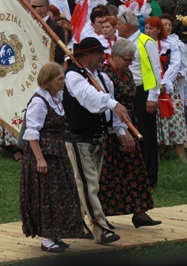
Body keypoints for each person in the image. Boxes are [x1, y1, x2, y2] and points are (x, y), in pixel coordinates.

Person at [63, 37, 131, 244]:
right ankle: (100, 228)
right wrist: (113, 103)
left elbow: (110, 110)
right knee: (87, 184)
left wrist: (120, 131)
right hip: (78, 137)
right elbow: (90, 98)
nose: (102, 56)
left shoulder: (101, 77)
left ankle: (77, 223)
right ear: (84, 56)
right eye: (97, 53)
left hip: (97, 137)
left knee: (88, 184)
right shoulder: (74, 76)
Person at [20, 62, 84, 253]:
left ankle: (55, 233)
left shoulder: (57, 96)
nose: (64, 81)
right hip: (44, 153)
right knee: (47, 195)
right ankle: (47, 238)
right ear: (47, 82)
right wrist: (40, 159)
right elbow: (31, 133)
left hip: (57, 152)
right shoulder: (39, 101)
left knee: (61, 194)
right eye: (60, 79)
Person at [98, 39, 161, 228]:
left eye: (132, 60)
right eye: (127, 59)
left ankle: (140, 212)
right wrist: (121, 130)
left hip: (130, 124)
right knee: (108, 174)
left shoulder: (126, 73)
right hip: (112, 129)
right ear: (115, 56)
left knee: (135, 169)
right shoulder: (103, 74)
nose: (129, 64)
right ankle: (101, 215)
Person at [116, 12, 161, 187]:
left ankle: (149, 177)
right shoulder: (121, 43)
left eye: (119, 23)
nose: (117, 26)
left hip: (142, 92)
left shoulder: (146, 41)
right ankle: (131, 174)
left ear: (127, 25)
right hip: (126, 92)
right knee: (128, 132)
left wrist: (153, 96)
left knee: (145, 134)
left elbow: (155, 69)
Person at [144, 16, 187, 161]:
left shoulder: (170, 44)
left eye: (151, 28)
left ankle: (181, 157)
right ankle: (156, 156)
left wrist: (163, 82)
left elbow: (175, 64)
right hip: (150, 86)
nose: (148, 30)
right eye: (147, 27)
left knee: (174, 117)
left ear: (158, 30)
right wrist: (155, 84)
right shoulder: (143, 44)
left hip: (168, 86)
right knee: (154, 120)